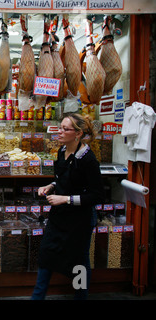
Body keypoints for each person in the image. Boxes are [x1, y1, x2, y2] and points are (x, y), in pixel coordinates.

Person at [31, 113, 104, 300]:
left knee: (79, 263)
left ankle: (81, 297)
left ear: (78, 134)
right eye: (60, 127)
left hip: (79, 220)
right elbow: (63, 179)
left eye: (65, 129)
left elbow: (96, 195)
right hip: (59, 217)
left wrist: (66, 199)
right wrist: (51, 186)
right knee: (46, 256)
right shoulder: (61, 151)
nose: (59, 132)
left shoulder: (88, 160)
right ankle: (37, 297)